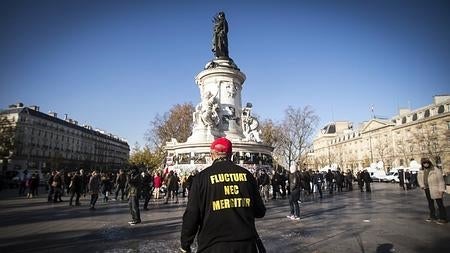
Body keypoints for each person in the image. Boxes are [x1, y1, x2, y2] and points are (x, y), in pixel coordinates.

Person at [180, 137, 266, 253]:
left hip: (212, 245)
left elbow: (192, 214)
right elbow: (260, 211)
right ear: (231, 154)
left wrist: (185, 244)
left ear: (212, 154)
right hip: (245, 244)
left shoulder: (201, 178)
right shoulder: (247, 176)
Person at [417, 158, 447, 224]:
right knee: (430, 203)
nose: (426, 164)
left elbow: (441, 180)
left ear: (429, 162)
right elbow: (419, 178)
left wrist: (441, 189)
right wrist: (422, 185)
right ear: (422, 164)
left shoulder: (435, 169)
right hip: (427, 188)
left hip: (435, 188)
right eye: (424, 163)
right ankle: (432, 216)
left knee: (440, 204)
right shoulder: (421, 170)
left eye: (427, 162)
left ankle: (443, 218)